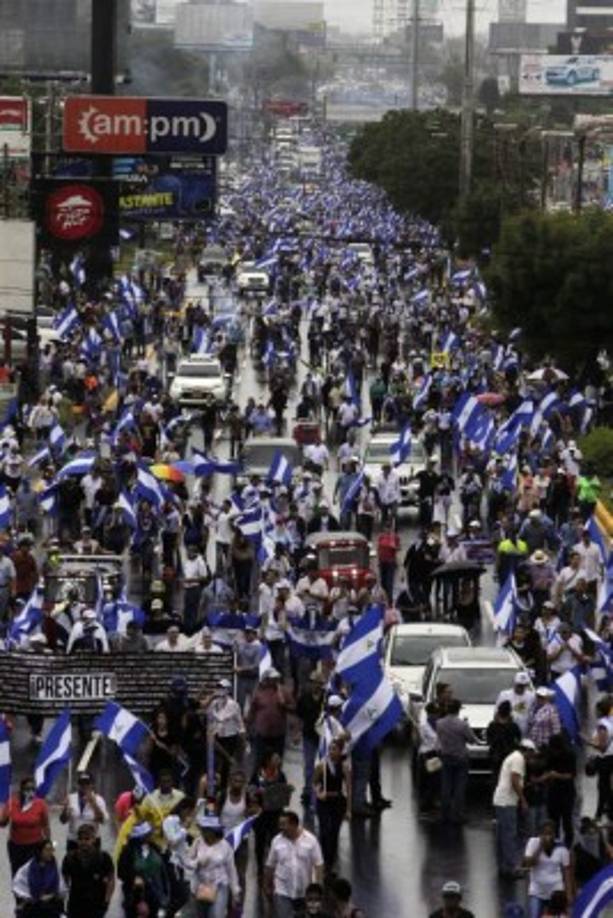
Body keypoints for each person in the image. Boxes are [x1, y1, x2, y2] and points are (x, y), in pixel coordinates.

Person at [264, 810, 324, 918]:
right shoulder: (276, 841)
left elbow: (318, 864)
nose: (280, 827)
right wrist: (267, 885)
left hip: (305, 893)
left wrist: (318, 887)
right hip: (282, 891)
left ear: (294, 824)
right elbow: (270, 865)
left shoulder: (311, 840)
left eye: (283, 824)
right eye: (280, 824)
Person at [492, 738, 536, 880]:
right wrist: (523, 800)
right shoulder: (518, 759)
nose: (531, 757)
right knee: (509, 835)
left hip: (501, 800)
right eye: (531, 753)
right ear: (527, 750)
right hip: (507, 801)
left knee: (502, 835)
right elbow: (515, 779)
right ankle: (511, 868)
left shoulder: (513, 757)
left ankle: (503, 867)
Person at [188, 813, 241, 918]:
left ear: (213, 831)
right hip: (201, 885)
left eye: (206, 830)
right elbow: (188, 863)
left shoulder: (225, 846)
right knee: (201, 915)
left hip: (219, 884)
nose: (203, 832)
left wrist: (235, 890)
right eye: (203, 829)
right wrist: (198, 862)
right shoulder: (198, 842)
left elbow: (231, 869)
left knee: (216, 915)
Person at [435, 698, 478, 825]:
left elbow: (440, 738)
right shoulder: (462, 725)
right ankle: (457, 815)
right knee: (459, 787)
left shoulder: (439, 723)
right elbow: (472, 740)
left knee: (446, 786)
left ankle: (444, 814)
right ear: (458, 710)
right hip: (460, 757)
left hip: (446, 756)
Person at [313, 739, 351, 874]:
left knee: (334, 833)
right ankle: (322, 860)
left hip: (338, 801)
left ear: (341, 751)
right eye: (330, 749)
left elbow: (348, 788)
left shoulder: (344, 767)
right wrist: (319, 793)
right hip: (324, 802)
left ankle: (330, 862)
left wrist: (348, 809)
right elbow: (315, 782)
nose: (331, 751)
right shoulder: (322, 765)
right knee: (324, 831)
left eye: (334, 749)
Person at [117, 821, 170, 918]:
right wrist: (133, 878)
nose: (151, 835)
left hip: (156, 894)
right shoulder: (128, 851)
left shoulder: (155, 848)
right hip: (136, 897)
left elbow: (163, 871)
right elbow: (121, 872)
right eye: (148, 834)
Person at [61, 822, 115, 918]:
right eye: (80, 839)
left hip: (97, 904)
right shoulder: (69, 858)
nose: (83, 842)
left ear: (94, 839)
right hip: (75, 904)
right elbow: (64, 881)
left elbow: (111, 880)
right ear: (77, 840)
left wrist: (107, 901)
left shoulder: (103, 857)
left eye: (87, 839)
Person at [0, 775, 50, 876]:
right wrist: (2, 815)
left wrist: (48, 844)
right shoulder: (11, 803)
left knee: (32, 873)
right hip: (15, 846)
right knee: (17, 874)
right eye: (27, 788)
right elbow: (3, 824)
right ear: (21, 789)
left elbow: (46, 826)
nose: (30, 791)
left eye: (33, 789)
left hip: (35, 845)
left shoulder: (40, 804)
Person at [522, 820, 573, 918]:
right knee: (534, 915)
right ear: (540, 834)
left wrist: (569, 894)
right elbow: (528, 864)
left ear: (554, 835)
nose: (547, 837)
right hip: (537, 891)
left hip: (556, 891)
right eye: (544, 834)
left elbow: (566, 871)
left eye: (550, 834)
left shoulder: (561, 847)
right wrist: (540, 848)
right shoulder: (533, 843)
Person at [12, 838, 66, 918]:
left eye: (51, 850)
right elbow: (19, 887)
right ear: (40, 851)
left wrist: (52, 895)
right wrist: (37, 898)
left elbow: (61, 889)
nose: (50, 853)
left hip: (51, 904)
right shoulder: (27, 868)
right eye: (47, 850)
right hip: (33, 905)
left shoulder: (55, 867)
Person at [162, 796, 196, 917]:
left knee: (177, 896)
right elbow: (172, 841)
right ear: (184, 809)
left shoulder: (181, 823)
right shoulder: (170, 820)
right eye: (189, 812)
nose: (188, 816)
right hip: (172, 863)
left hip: (181, 865)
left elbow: (182, 847)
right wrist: (184, 829)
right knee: (182, 895)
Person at [60, 772, 109, 849]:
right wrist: (65, 809)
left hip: (92, 841)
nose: (84, 786)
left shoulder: (99, 799)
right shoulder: (70, 798)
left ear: (92, 785)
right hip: (73, 840)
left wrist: (93, 804)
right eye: (81, 783)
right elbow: (63, 821)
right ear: (78, 785)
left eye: (87, 783)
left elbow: (103, 821)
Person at [486, 701, 522, 780]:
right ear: (509, 712)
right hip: (509, 755)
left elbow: (488, 740)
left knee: (496, 777)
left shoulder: (492, 725)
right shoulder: (513, 726)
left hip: (495, 755)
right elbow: (519, 739)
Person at [496, 671, 535, 737]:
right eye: (519, 685)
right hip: (507, 732)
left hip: (524, 732)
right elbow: (497, 713)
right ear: (514, 683)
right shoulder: (504, 695)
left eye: (523, 685)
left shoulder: (531, 696)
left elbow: (532, 714)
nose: (521, 688)